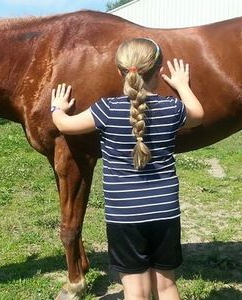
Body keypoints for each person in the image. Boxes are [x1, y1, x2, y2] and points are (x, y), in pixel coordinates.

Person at [50, 38, 204, 299]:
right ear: (159, 71)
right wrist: (181, 86)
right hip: (165, 212)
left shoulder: (105, 110)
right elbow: (198, 115)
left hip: (124, 217)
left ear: (119, 72)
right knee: (166, 286)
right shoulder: (171, 108)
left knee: (135, 290)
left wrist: (57, 108)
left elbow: (64, 125)